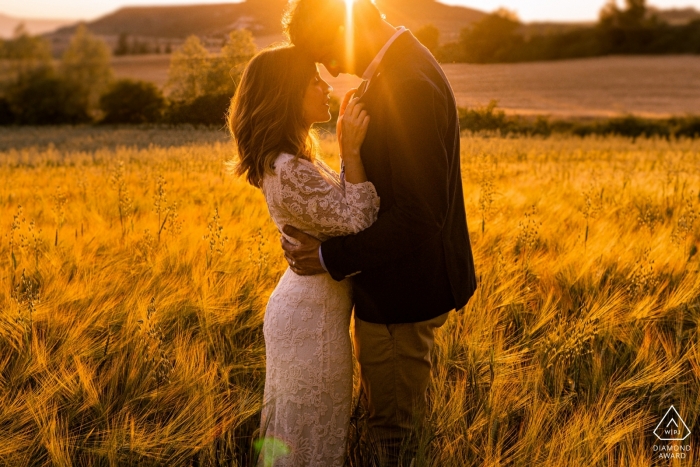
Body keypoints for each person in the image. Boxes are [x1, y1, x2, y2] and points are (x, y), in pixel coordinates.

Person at [281, 1, 478, 465]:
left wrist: (329, 257)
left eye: (324, 51)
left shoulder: (405, 83)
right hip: (402, 288)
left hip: (400, 294)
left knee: (393, 439)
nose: (327, 69)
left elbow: (420, 212)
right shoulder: (399, 65)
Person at [228, 44, 378, 466]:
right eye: (313, 80)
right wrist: (350, 152)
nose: (325, 85)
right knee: (308, 437)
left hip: (310, 311)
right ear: (285, 93)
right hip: (311, 323)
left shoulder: (290, 162)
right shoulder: (289, 168)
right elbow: (360, 222)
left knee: (305, 435)